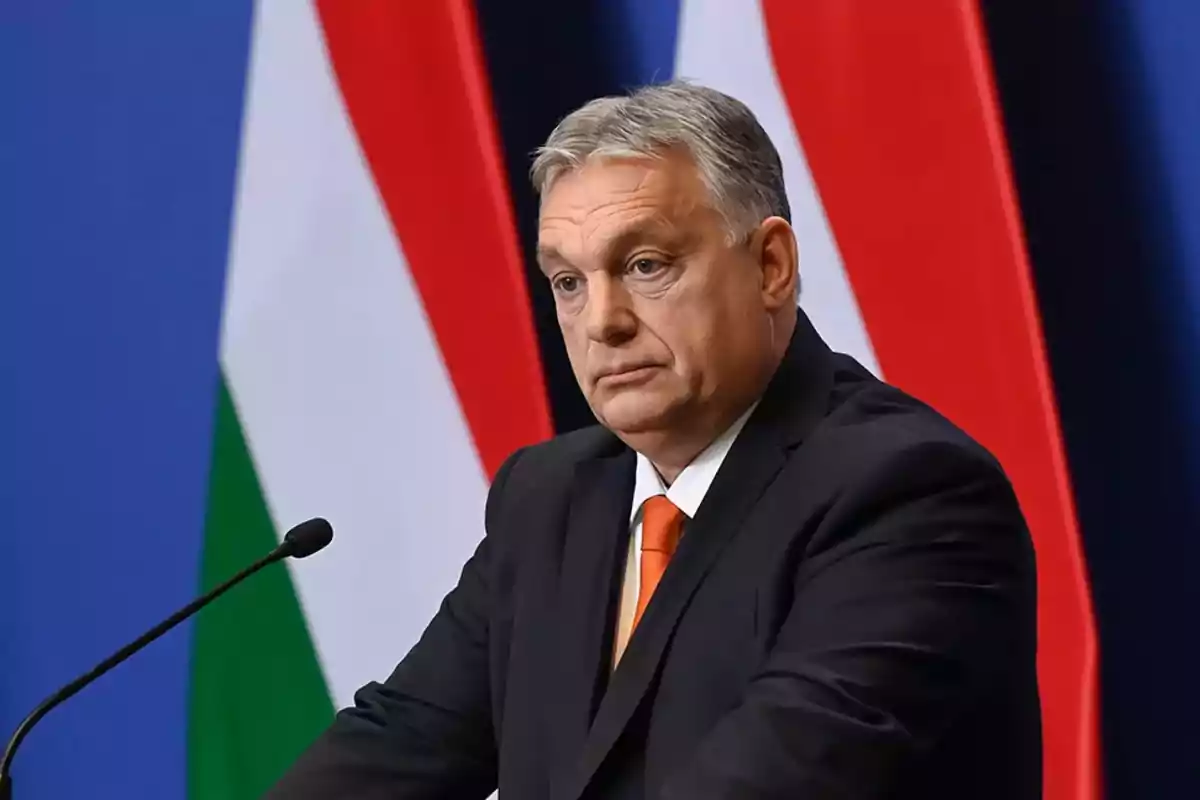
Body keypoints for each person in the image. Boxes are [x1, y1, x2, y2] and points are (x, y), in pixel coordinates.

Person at [267, 81, 1041, 799]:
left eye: (645, 265)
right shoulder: (551, 498)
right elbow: (404, 742)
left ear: (770, 265)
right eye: (568, 282)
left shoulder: (906, 492)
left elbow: (775, 778)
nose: (602, 320)